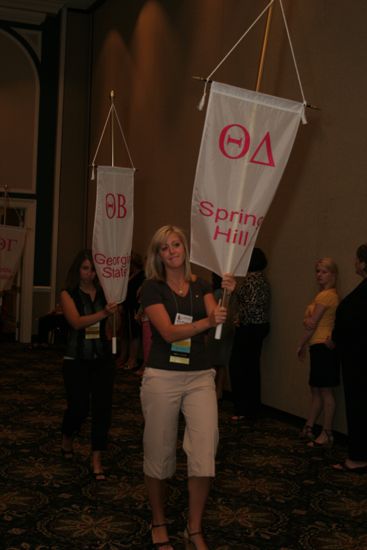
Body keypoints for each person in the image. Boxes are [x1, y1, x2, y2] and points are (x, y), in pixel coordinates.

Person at [139, 225, 235, 550]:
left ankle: (194, 528)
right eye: (164, 248)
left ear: (185, 248)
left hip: (199, 376)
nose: (171, 251)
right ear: (158, 255)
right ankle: (159, 521)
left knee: (205, 451)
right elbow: (167, 333)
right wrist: (207, 323)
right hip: (162, 376)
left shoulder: (202, 285)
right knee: (159, 450)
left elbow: (217, 318)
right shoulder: (151, 289)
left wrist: (227, 295)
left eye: (176, 244)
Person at [60, 249, 118, 480]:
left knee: (103, 408)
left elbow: (114, 328)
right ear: (78, 269)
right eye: (85, 268)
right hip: (76, 360)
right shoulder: (68, 294)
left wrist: (115, 312)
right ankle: (67, 435)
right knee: (79, 407)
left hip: (103, 359)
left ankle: (97, 458)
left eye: (93, 269)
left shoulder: (105, 293)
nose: (90, 273)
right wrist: (103, 313)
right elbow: (76, 322)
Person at [297, 258, 340, 447]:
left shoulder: (327, 296)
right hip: (317, 345)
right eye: (317, 271)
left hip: (323, 346)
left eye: (323, 271)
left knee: (325, 391)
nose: (319, 275)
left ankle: (327, 432)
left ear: (333, 274)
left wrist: (300, 344)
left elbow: (311, 323)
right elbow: (311, 322)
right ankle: (309, 426)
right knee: (316, 389)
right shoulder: (322, 295)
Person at [332, 244, 367, 472]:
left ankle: (358, 457)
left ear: (364, 263)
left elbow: (351, 319)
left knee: (359, 406)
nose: (354, 263)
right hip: (357, 355)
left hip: (360, 359)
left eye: (357, 260)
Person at [228, 247, 271, 422]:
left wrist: (239, 319)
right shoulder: (263, 279)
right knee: (251, 369)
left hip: (249, 328)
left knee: (238, 367)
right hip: (259, 327)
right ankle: (251, 408)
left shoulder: (252, 279)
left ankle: (242, 408)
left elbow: (250, 305)